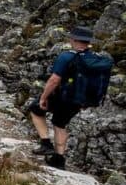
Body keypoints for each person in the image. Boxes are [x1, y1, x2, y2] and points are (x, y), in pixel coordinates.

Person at [28, 26, 102, 169]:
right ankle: (59, 159)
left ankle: (45, 143)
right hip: (80, 100)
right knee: (60, 123)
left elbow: (54, 80)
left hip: (63, 96)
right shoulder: (95, 58)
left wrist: (44, 97)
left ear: (73, 39)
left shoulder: (67, 56)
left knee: (35, 109)